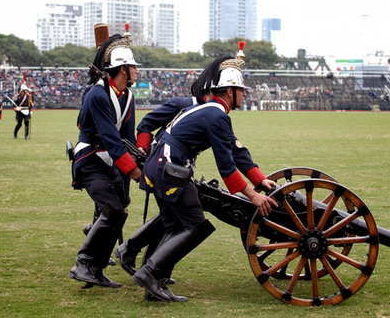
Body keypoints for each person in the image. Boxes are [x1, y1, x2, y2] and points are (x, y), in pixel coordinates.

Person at [115, 44, 276, 299]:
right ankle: (151, 274)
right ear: (230, 91)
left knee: (175, 224)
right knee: (195, 225)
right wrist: (252, 196)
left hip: (164, 166)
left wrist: (260, 179)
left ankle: (151, 278)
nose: (244, 96)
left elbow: (236, 151)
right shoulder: (216, 115)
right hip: (170, 168)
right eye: (241, 91)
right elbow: (227, 167)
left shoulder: (212, 111)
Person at [68, 24, 142, 288]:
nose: (136, 71)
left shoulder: (128, 96)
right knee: (111, 209)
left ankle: (96, 269)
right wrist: (133, 170)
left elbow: (127, 138)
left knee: (118, 210)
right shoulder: (98, 94)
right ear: (123, 70)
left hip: (111, 161)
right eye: (133, 67)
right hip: (89, 160)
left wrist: (141, 157)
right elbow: (110, 138)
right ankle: (83, 263)